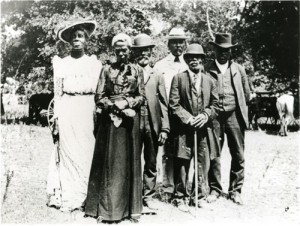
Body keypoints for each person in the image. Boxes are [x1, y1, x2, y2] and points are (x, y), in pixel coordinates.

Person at [84, 33, 145, 223]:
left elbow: (142, 96)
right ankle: (106, 211)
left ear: (130, 50)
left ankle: (129, 211)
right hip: (109, 123)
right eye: (118, 49)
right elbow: (99, 96)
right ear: (114, 50)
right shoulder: (106, 70)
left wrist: (127, 102)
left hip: (129, 123)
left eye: (125, 49)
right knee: (110, 165)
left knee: (128, 164)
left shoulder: (137, 70)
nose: (121, 52)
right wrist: (113, 106)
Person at [46, 20, 102, 212]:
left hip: (87, 109)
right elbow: (58, 93)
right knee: (68, 150)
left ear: (87, 40)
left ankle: (86, 195)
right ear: (69, 41)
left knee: (86, 150)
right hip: (68, 109)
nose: (77, 40)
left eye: (81, 37)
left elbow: (98, 93)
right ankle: (70, 196)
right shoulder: (62, 63)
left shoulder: (93, 63)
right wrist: (57, 118)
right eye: (74, 37)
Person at [169, 44, 219, 212]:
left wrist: (205, 115)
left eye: (197, 57)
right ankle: (180, 197)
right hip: (184, 129)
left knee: (202, 162)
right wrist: (189, 119)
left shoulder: (209, 80)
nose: (194, 60)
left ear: (202, 60)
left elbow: (216, 105)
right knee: (182, 162)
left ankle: (199, 196)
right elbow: (173, 105)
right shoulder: (178, 78)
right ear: (186, 60)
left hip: (203, 130)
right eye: (190, 57)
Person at [206, 33, 250, 205]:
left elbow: (246, 94)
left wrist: (237, 109)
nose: (224, 53)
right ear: (214, 50)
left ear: (231, 52)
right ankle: (215, 189)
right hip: (214, 116)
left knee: (238, 153)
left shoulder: (239, 69)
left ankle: (236, 190)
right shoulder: (207, 68)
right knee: (214, 153)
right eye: (220, 50)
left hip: (234, 116)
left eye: (227, 50)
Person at [131, 34, 170, 212]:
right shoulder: (129, 72)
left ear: (151, 52)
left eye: (146, 51)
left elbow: (163, 102)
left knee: (151, 161)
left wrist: (164, 128)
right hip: (133, 122)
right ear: (134, 53)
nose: (143, 54)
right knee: (133, 159)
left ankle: (149, 196)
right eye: (139, 51)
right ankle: (133, 196)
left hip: (152, 123)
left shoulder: (157, 74)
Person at [153, 27, 188, 202]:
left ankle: (182, 188)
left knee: (183, 152)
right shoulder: (160, 66)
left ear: (185, 44)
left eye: (181, 42)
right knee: (167, 152)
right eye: (174, 42)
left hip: (184, 116)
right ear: (168, 44)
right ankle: (167, 188)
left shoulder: (189, 64)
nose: (178, 46)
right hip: (166, 115)